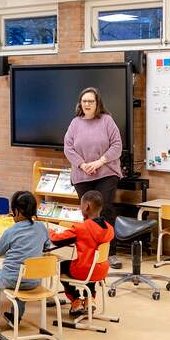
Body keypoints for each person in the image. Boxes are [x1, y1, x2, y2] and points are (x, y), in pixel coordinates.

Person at [63, 86, 123, 266]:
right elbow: (68, 148)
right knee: (87, 213)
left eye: (91, 101)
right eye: (84, 101)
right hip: (82, 174)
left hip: (106, 172)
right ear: (80, 104)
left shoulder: (107, 121)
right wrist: (82, 165)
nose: (87, 104)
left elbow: (117, 146)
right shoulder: (75, 123)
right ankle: (89, 250)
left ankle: (110, 252)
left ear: (97, 104)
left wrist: (99, 162)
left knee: (104, 210)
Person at [0, 190, 49, 332]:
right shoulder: (41, 227)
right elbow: (47, 245)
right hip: (33, 280)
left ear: (16, 211)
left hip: (11, 279)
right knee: (23, 273)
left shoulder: (11, 231)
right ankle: (15, 317)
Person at [48, 190, 113, 316]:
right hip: (101, 269)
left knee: (59, 266)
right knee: (91, 261)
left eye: (81, 205)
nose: (79, 208)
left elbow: (56, 240)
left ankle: (75, 300)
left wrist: (50, 231)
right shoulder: (109, 228)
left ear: (87, 206)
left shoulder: (81, 228)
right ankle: (90, 298)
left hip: (84, 270)